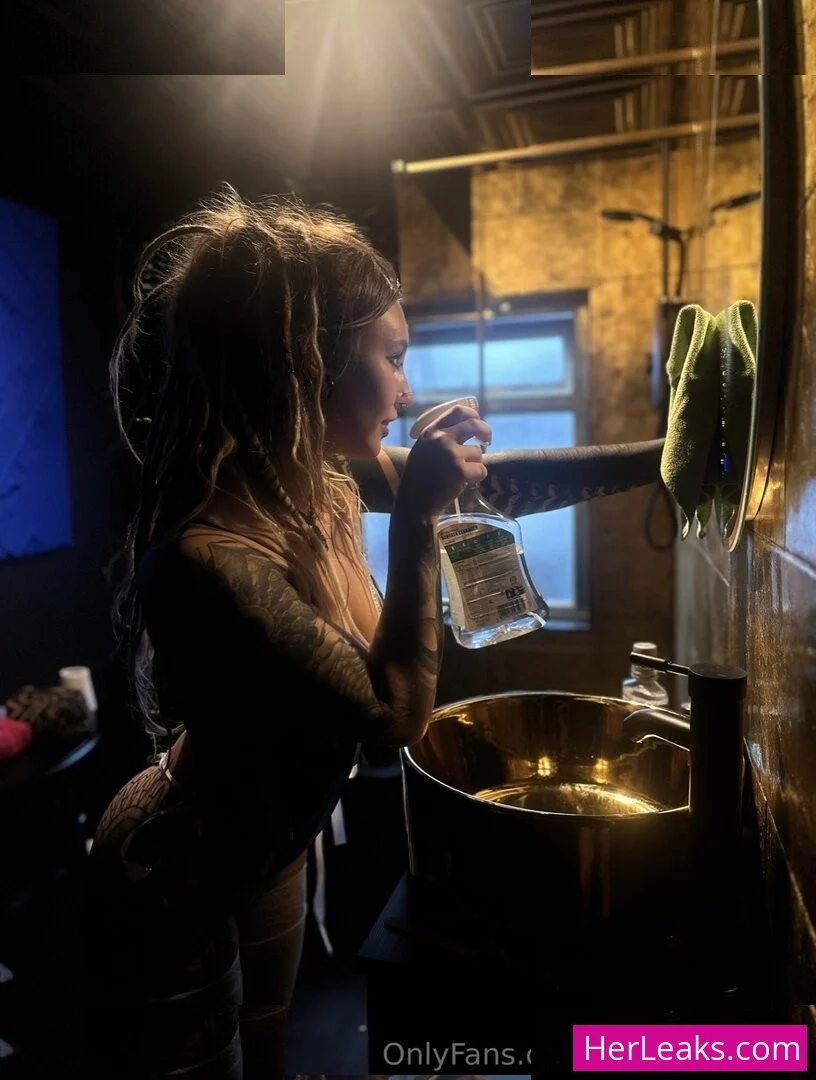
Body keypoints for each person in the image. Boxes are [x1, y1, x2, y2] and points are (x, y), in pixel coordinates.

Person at [85, 186, 665, 1080]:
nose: (407, 386)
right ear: (303, 362)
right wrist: (417, 522)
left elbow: (497, 480)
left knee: (269, 1048)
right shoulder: (211, 560)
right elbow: (392, 716)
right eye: (391, 358)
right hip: (173, 877)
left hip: (270, 853)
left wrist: (663, 462)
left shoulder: (314, 477)